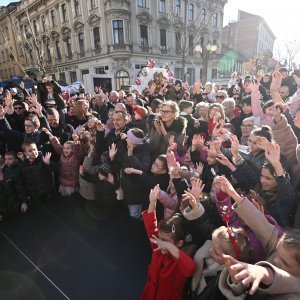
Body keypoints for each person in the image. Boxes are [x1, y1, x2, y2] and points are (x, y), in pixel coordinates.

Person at [141, 185, 196, 300]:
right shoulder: (158, 245)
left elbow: (190, 269)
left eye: (165, 241)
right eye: (160, 238)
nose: (160, 242)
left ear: (179, 244)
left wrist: (170, 248)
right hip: (150, 293)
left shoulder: (180, 259)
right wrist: (152, 202)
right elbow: (151, 226)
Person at [44, 129, 81, 196]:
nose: (65, 150)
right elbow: (57, 146)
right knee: (64, 198)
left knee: (73, 198)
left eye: (68, 148)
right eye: (64, 148)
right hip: (63, 182)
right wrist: (50, 135)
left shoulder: (75, 156)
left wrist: (75, 141)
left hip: (72, 183)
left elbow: (77, 149)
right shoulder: (62, 154)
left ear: (73, 149)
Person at [0, 151, 28, 219]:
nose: (7, 161)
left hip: (15, 207)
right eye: (6, 159)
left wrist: (24, 202)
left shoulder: (11, 173)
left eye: (10, 159)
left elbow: (19, 188)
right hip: (3, 213)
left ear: (2, 165)